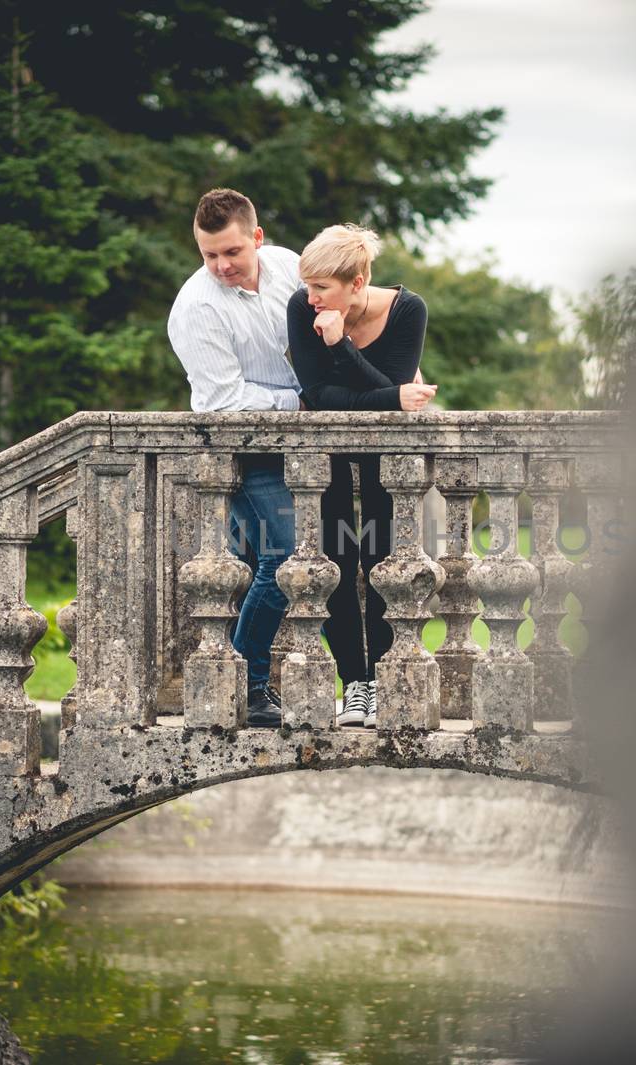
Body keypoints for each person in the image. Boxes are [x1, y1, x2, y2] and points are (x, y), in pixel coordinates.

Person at [285, 223, 436, 727]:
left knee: (381, 562)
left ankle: (385, 682)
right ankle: (355, 685)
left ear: (357, 281)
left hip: (387, 461)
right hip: (323, 454)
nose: (310, 298)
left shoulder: (406, 310)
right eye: (308, 286)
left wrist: (342, 349)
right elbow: (321, 398)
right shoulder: (301, 309)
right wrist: (391, 398)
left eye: (321, 288)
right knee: (334, 564)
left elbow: (384, 402)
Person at [167, 188, 301, 727]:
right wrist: (309, 402)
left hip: (308, 447)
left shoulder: (290, 266)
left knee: (272, 563)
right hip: (243, 452)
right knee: (285, 557)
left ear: (257, 239)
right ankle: (246, 685)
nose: (221, 265)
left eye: (232, 252)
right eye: (209, 254)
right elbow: (225, 402)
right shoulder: (196, 308)